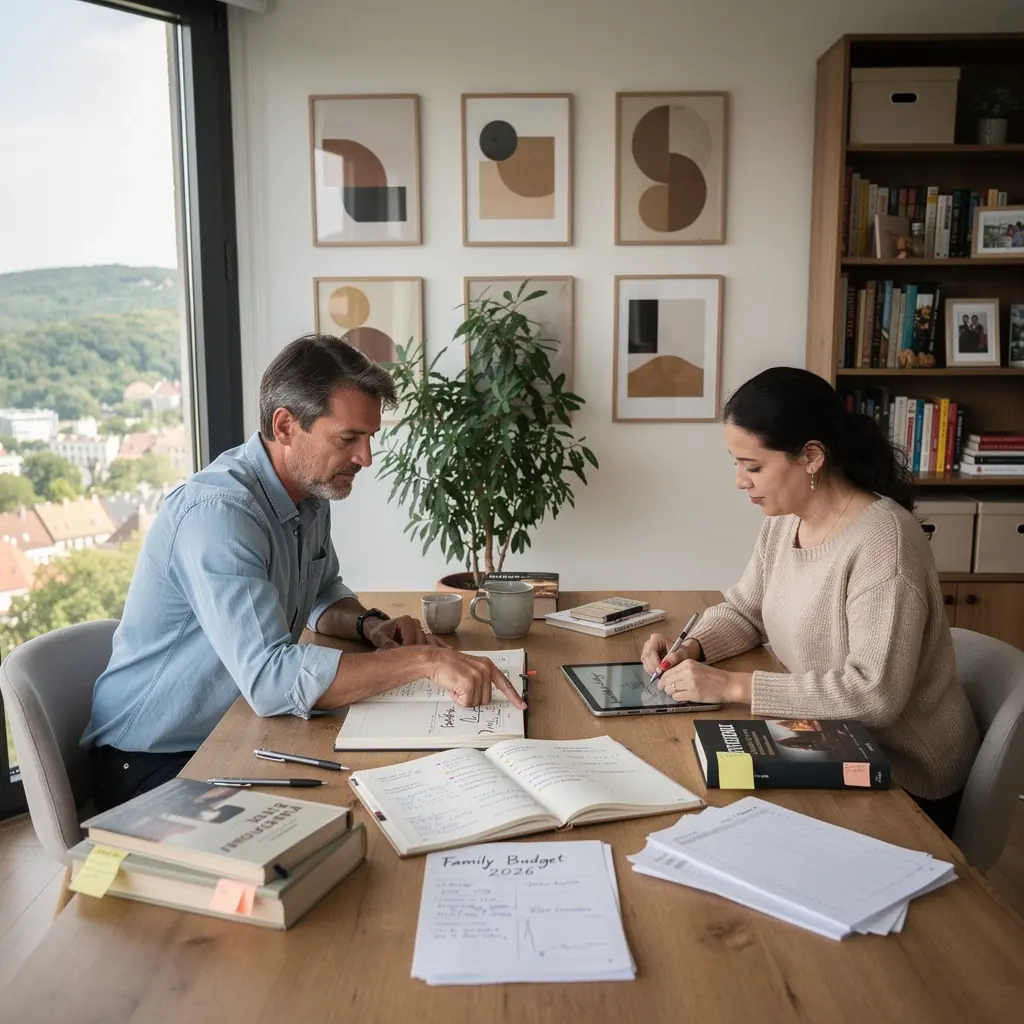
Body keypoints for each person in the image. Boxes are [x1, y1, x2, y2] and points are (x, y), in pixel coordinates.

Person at [83, 334, 524, 811]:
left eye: (370, 437)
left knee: (396, 792)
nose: (366, 458)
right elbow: (272, 680)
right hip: (154, 763)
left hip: (235, 728)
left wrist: (369, 625)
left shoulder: (309, 493)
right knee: (363, 812)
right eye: (348, 438)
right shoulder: (219, 515)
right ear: (286, 426)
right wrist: (424, 662)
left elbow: (322, 594)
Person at [641, 367, 979, 836]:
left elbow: (873, 694)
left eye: (753, 466)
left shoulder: (886, 543)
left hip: (904, 775)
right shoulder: (785, 520)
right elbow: (746, 610)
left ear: (812, 456)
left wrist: (732, 687)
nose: (741, 481)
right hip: (829, 738)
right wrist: (692, 647)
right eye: (735, 463)